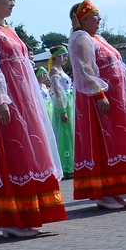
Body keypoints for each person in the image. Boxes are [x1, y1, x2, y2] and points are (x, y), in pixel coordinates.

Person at [0, 0, 66, 238]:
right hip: (8, 99)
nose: (12, 3)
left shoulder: (8, 29)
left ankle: (29, 214)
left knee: (28, 152)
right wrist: (0, 99)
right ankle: (11, 219)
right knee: (12, 153)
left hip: (25, 99)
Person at [68, 0, 126, 210]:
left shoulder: (97, 38)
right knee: (104, 143)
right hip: (100, 101)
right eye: (94, 16)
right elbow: (85, 70)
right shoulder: (81, 38)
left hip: (116, 101)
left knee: (116, 142)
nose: (99, 19)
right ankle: (103, 193)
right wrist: (99, 94)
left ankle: (114, 190)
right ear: (83, 20)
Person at [47, 46, 75, 178]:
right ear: (58, 56)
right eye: (64, 55)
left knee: (71, 134)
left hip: (69, 102)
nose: (66, 58)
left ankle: (73, 164)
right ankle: (66, 166)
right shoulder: (54, 70)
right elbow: (57, 91)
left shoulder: (61, 69)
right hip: (63, 104)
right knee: (64, 134)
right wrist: (63, 109)